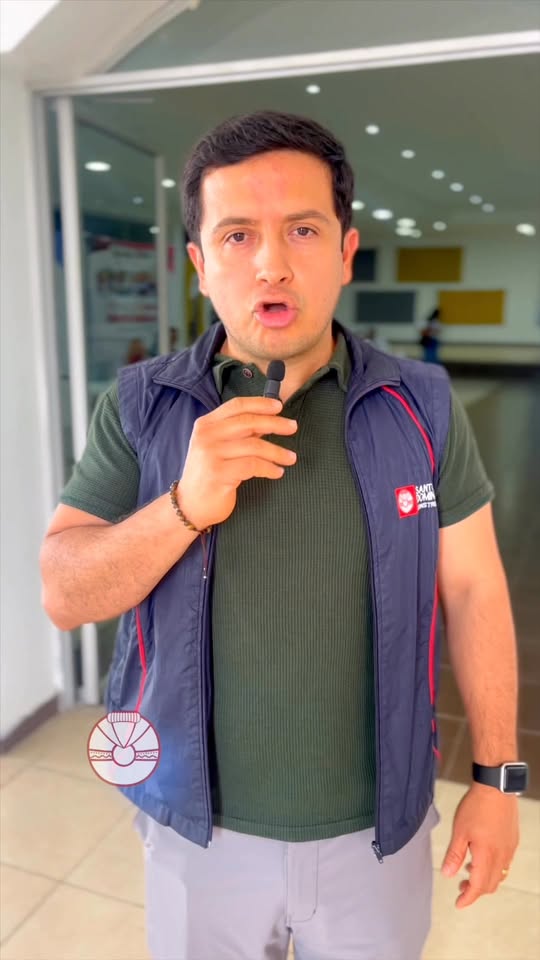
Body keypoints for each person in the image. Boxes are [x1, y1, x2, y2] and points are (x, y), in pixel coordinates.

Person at [40, 111, 525, 960]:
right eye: (236, 236)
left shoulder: (422, 405)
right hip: (197, 830)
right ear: (199, 264)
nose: (270, 263)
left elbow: (476, 586)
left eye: (302, 230)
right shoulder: (143, 406)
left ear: (345, 251)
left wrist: (497, 779)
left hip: (378, 831)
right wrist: (184, 505)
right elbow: (64, 592)